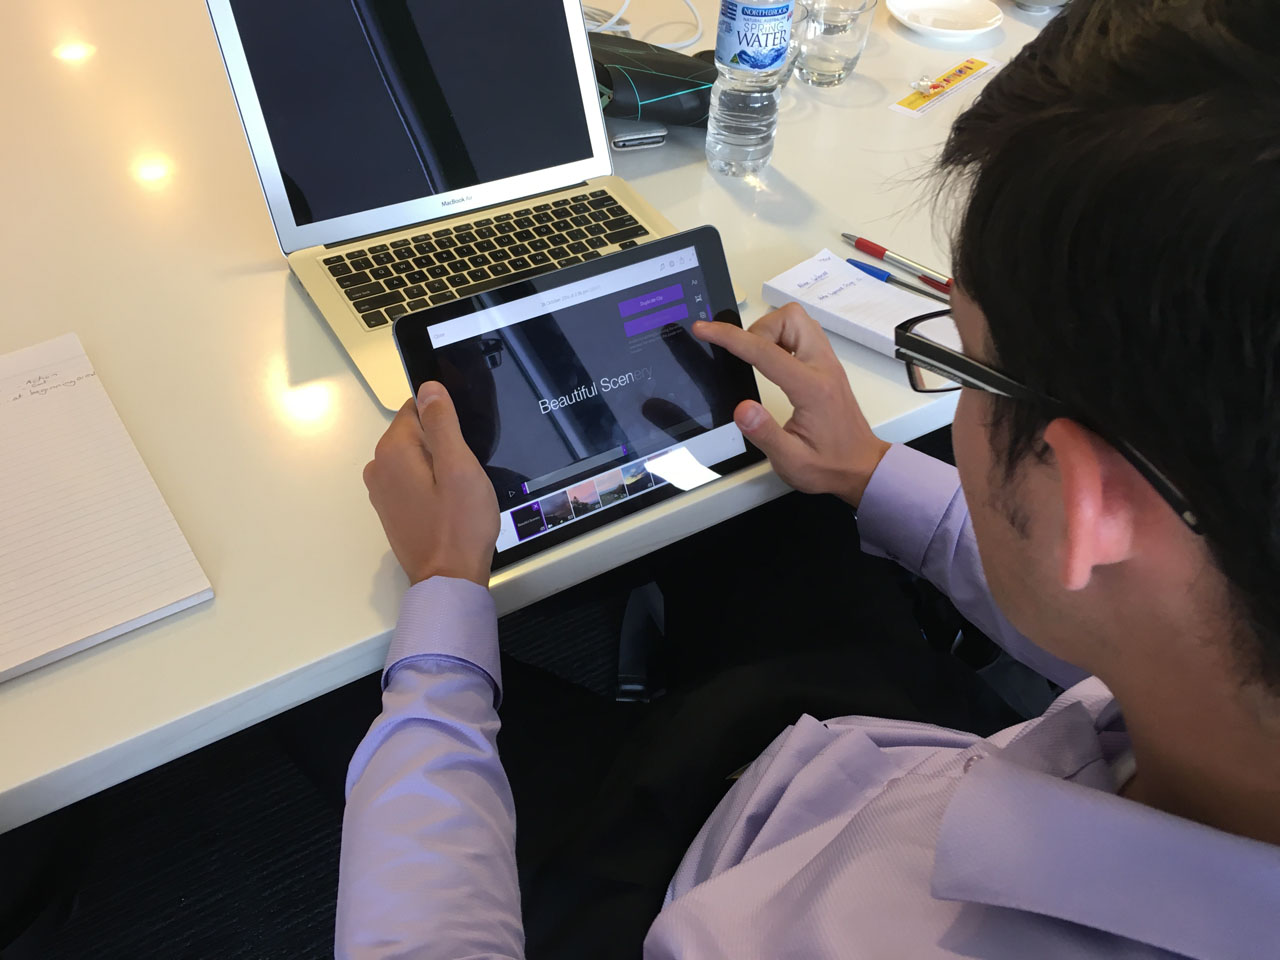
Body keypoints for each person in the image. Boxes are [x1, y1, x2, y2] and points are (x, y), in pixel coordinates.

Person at [335, 1, 1280, 956]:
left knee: (340, 687)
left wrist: (445, 604)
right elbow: (1149, 594)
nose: (959, 389)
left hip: (679, 875)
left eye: (964, 359)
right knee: (765, 486)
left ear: (1086, 508)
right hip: (888, 750)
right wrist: (868, 470)